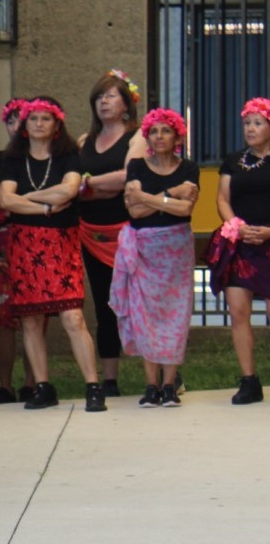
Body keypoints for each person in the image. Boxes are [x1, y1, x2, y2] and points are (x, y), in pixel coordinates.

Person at [0, 97, 107, 412]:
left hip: (60, 241)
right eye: (33, 119)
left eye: (46, 119)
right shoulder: (12, 160)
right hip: (24, 243)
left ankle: (93, 386)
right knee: (30, 320)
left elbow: (69, 191)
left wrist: (26, 197)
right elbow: (5, 200)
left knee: (72, 316)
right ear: (25, 126)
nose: (39, 124)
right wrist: (45, 205)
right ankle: (43, 386)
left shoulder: (69, 157)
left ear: (57, 125)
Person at [111, 108, 198, 408]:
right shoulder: (136, 166)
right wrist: (171, 193)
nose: (159, 136)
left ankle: (169, 385)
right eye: (154, 131)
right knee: (144, 315)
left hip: (176, 250)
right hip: (143, 250)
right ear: (147, 136)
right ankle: (151, 386)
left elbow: (185, 211)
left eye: (166, 131)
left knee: (175, 314)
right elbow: (133, 212)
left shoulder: (189, 168)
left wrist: (147, 199)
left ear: (177, 136)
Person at [76, 69, 150, 397]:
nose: (104, 102)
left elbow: (127, 177)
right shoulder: (83, 141)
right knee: (106, 305)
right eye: (99, 97)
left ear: (127, 104)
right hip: (90, 233)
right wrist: (96, 187)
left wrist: (90, 183)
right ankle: (109, 379)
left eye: (111, 96)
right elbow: (71, 184)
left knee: (140, 303)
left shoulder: (138, 137)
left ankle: (162, 374)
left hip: (128, 232)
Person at [205, 97, 270, 405]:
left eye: (258, 123)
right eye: (247, 123)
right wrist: (237, 226)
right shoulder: (233, 160)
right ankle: (249, 381)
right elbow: (221, 199)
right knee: (239, 311)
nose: (251, 128)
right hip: (241, 242)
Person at [0, 99, 37, 405]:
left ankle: (33, 381)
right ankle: (5, 386)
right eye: (12, 121)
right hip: (2, 245)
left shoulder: (46, 159)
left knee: (35, 316)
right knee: (2, 319)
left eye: (24, 120)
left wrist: (13, 200)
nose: (18, 126)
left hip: (37, 243)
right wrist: (12, 201)